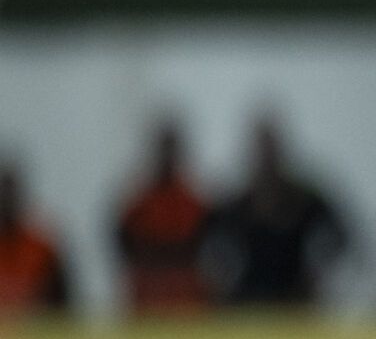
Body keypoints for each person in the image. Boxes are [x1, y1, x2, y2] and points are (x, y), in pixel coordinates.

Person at [208, 117, 350, 307]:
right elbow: (211, 244)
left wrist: (317, 269)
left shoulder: (303, 200)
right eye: (261, 149)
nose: (266, 157)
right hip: (247, 301)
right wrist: (223, 276)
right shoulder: (238, 204)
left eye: (270, 149)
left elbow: (341, 236)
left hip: (295, 301)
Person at [114, 120, 213, 315]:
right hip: (147, 293)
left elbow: (204, 248)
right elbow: (124, 246)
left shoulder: (193, 203)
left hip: (187, 295)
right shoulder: (138, 204)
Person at [0, 163, 71, 316]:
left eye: (10, 195)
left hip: (34, 326)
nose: (6, 203)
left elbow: (63, 305)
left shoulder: (43, 249)